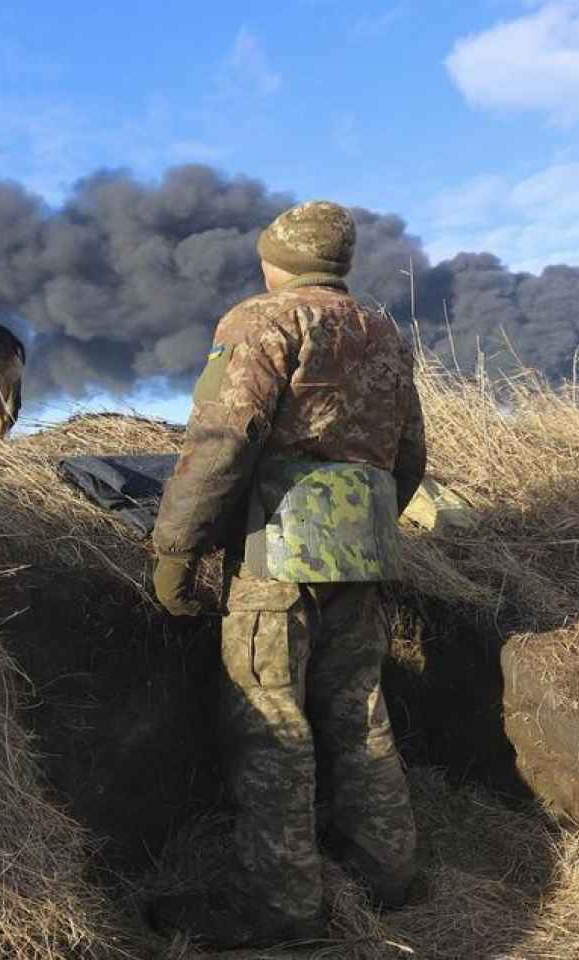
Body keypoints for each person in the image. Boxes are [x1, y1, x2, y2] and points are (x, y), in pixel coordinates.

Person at [147, 200, 428, 947]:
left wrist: (175, 552)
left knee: (269, 722)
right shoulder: (384, 331)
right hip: (363, 554)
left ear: (277, 260)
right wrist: (361, 523)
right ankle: (389, 874)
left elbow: (222, 439)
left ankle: (280, 908)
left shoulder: (261, 319)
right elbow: (409, 457)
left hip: (277, 555)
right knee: (357, 710)